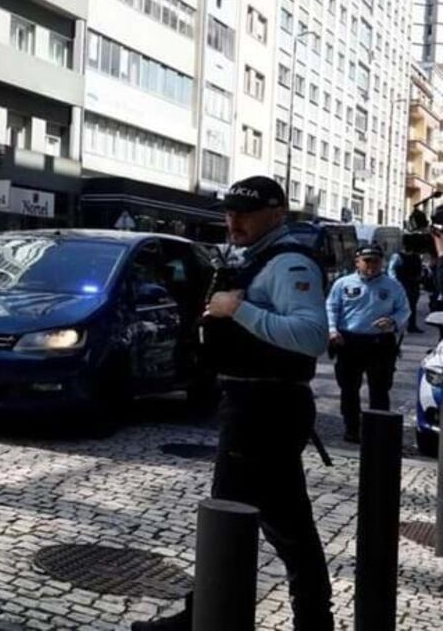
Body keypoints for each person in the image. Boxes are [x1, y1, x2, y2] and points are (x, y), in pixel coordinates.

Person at [135, 176, 332, 631]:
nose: (233, 220)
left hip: (265, 408)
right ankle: (307, 619)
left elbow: (311, 336)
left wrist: (236, 309)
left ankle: (203, 619)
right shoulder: (257, 257)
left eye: (245, 212)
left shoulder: (289, 263)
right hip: (252, 402)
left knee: (234, 518)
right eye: (229, 211)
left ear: (277, 213)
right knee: (284, 523)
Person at [327, 244, 410, 443]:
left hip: (379, 344)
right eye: (367, 261)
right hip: (349, 342)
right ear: (357, 262)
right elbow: (331, 307)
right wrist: (332, 330)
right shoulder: (343, 283)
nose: (372, 265)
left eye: (376, 261)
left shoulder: (393, 286)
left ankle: (377, 431)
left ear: (382, 263)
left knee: (380, 389)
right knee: (349, 388)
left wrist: (393, 321)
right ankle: (352, 428)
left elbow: (404, 309)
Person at [387, 247, 424, 333]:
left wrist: (420, 280)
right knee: (396, 306)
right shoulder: (397, 256)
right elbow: (391, 270)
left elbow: (419, 269)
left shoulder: (416, 256)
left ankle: (412, 326)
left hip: (413, 284)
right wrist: (395, 284)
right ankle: (393, 325)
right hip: (402, 284)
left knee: (412, 306)